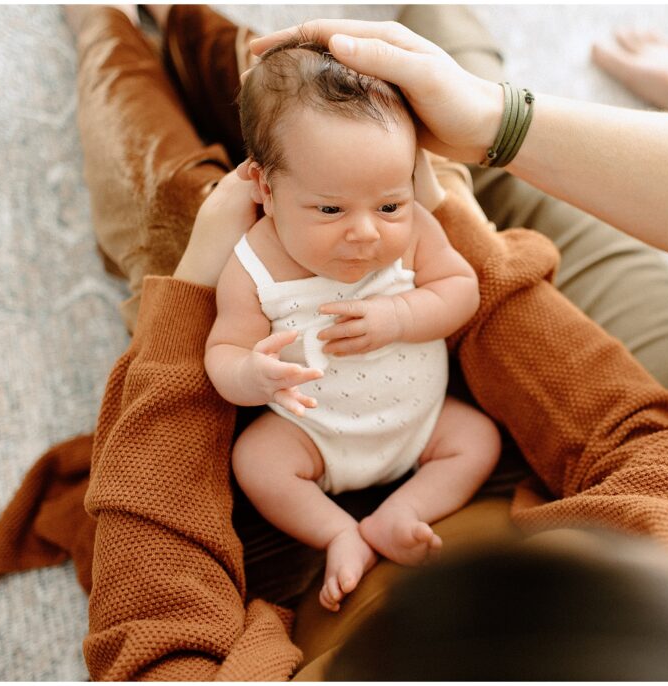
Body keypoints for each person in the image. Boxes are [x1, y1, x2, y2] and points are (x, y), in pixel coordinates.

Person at [0, 4, 668, 680]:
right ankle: (404, 69)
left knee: (175, 194)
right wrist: (471, 189)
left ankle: (106, 27)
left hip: (351, 464)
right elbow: (637, 439)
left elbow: (157, 628)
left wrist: (192, 307)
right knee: (411, 137)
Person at [204, 37, 500, 611]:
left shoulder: (412, 233)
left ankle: (403, 511)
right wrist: (252, 373)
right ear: (266, 189)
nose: (366, 233)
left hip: (422, 423)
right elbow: (223, 351)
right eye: (331, 210)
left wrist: (400, 316)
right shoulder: (253, 266)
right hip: (314, 437)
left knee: (477, 439)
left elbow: (460, 290)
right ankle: (337, 531)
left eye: (388, 205)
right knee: (257, 462)